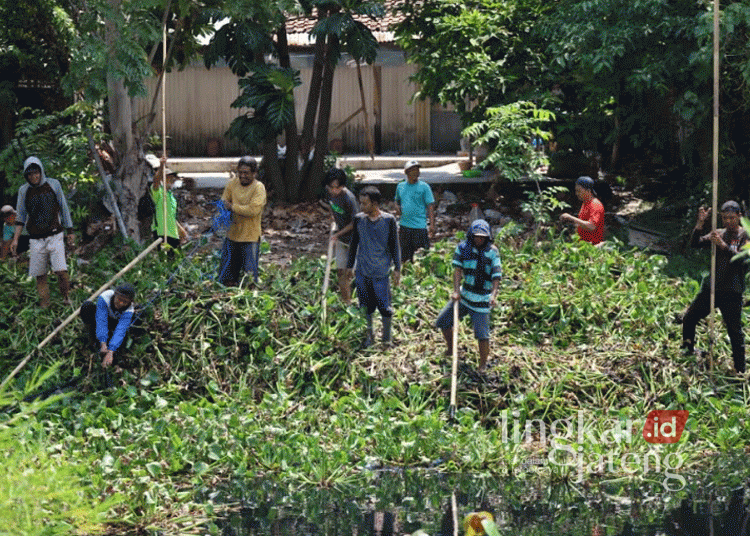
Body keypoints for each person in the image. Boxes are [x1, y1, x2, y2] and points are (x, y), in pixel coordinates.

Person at [682, 201, 748, 374]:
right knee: (689, 318)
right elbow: (695, 243)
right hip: (712, 289)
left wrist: (723, 246)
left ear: (739, 216)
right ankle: (687, 350)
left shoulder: (745, 236)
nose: (728, 222)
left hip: (732, 292)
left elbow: (742, 259)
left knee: (735, 332)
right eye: (725, 218)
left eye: (732, 218)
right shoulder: (717, 233)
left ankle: (740, 369)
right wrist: (700, 224)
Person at [435, 219, 502, 372]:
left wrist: (493, 295)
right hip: (465, 297)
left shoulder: (492, 251)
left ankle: (483, 363)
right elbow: (457, 270)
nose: (479, 239)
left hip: (482, 301)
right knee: (443, 321)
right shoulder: (463, 248)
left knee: (482, 335)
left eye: (482, 237)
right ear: (471, 235)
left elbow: (496, 276)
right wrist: (456, 291)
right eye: (476, 236)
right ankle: (451, 349)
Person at [11, 156, 74, 307]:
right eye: (30, 174)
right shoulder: (23, 191)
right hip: (36, 238)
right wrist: (15, 239)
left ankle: (66, 298)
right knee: (40, 275)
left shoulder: (53, 185)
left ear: (41, 172)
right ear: (26, 176)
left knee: (61, 271)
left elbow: (64, 208)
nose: (34, 177)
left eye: (36, 173)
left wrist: (70, 231)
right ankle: (45, 305)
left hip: (55, 235)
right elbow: (20, 216)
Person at [347, 186, 401, 347]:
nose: (362, 207)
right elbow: (354, 243)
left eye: (365, 204)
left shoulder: (388, 220)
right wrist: (350, 266)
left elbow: (394, 246)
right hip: (362, 271)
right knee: (365, 306)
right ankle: (369, 337)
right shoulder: (359, 219)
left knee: (384, 306)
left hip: (381, 271)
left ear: (375, 203)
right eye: (360, 203)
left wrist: (397, 268)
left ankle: (386, 339)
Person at [218, 156, 267, 286]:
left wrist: (232, 207)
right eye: (240, 172)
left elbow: (253, 210)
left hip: (249, 238)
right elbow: (224, 200)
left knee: (249, 277)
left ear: (254, 173)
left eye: (246, 173)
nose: (242, 176)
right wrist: (225, 207)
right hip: (232, 235)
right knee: (226, 276)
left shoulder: (258, 188)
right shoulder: (232, 184)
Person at [323, 168, 358, 304]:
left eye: (337, 187)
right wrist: (334, 220)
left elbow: (355, 223)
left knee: (351, 273)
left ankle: (363, 301)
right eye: (331, 187)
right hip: (341, 239)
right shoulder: (330, 193)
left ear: (343, 186)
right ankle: (346, 302)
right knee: (341, 272)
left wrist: (337, 233)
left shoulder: (349, 198)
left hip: (355, 240)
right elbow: (333, 208)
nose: (333, 190)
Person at [80, 283, 136, 368]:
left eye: (125, 302)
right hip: (101, 318)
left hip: (114, 323)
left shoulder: (129, 310)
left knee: (124, 334)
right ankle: (93, 339)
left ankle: (113, 359)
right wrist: (103, 342)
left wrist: (110, 351)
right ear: (115, 295)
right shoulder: (105, 297)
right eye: (119, 299)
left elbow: (120, 330)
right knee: (87, 307)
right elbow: (101, 320)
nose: (121, 304)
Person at [395, 160, 435, 263]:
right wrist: (396, 207)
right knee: (405, 258)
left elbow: (430, 206)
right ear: (407, 172)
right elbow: (397, 200)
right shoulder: (400, 186)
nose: (415, 172)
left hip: (420, 227)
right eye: (412, 170)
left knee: (421, 259)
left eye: (417, 170)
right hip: (405, 226)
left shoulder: (424, 187)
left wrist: (432, 225)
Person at [151, 156, 188, 248]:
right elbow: (156, 182)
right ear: (163, 179)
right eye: (170, 178)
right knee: (164, 259)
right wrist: (161, 166)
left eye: (174, 178)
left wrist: (180, 229)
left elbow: (171, 216)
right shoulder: (159, 192)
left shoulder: (171, 196)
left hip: (173, 234)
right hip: (161, 233)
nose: (173, 180)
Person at [559, 175, 605, 245]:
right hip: (581, 244)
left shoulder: (595, 205)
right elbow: (581, 222)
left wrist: (570, 217)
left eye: (579, 191)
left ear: (588, 191)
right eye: (576, 191)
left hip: (592, 246)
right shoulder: (585, 203)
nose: (576, 194)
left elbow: (592, 226)